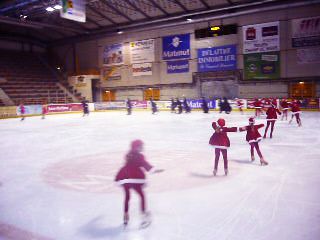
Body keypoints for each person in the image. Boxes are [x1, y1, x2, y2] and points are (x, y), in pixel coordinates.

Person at [115, 140, 163, 227]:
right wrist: (155, 170)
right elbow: (146, 166)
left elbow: (129, 163)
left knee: (127, 197)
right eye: (141, 146)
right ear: (136, 147)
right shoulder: (140, 156)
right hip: (135, 178)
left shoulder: (128, 155)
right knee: (142, 196)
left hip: (124, 177)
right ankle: (144, 216)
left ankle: (126, 216)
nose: (142, 148)